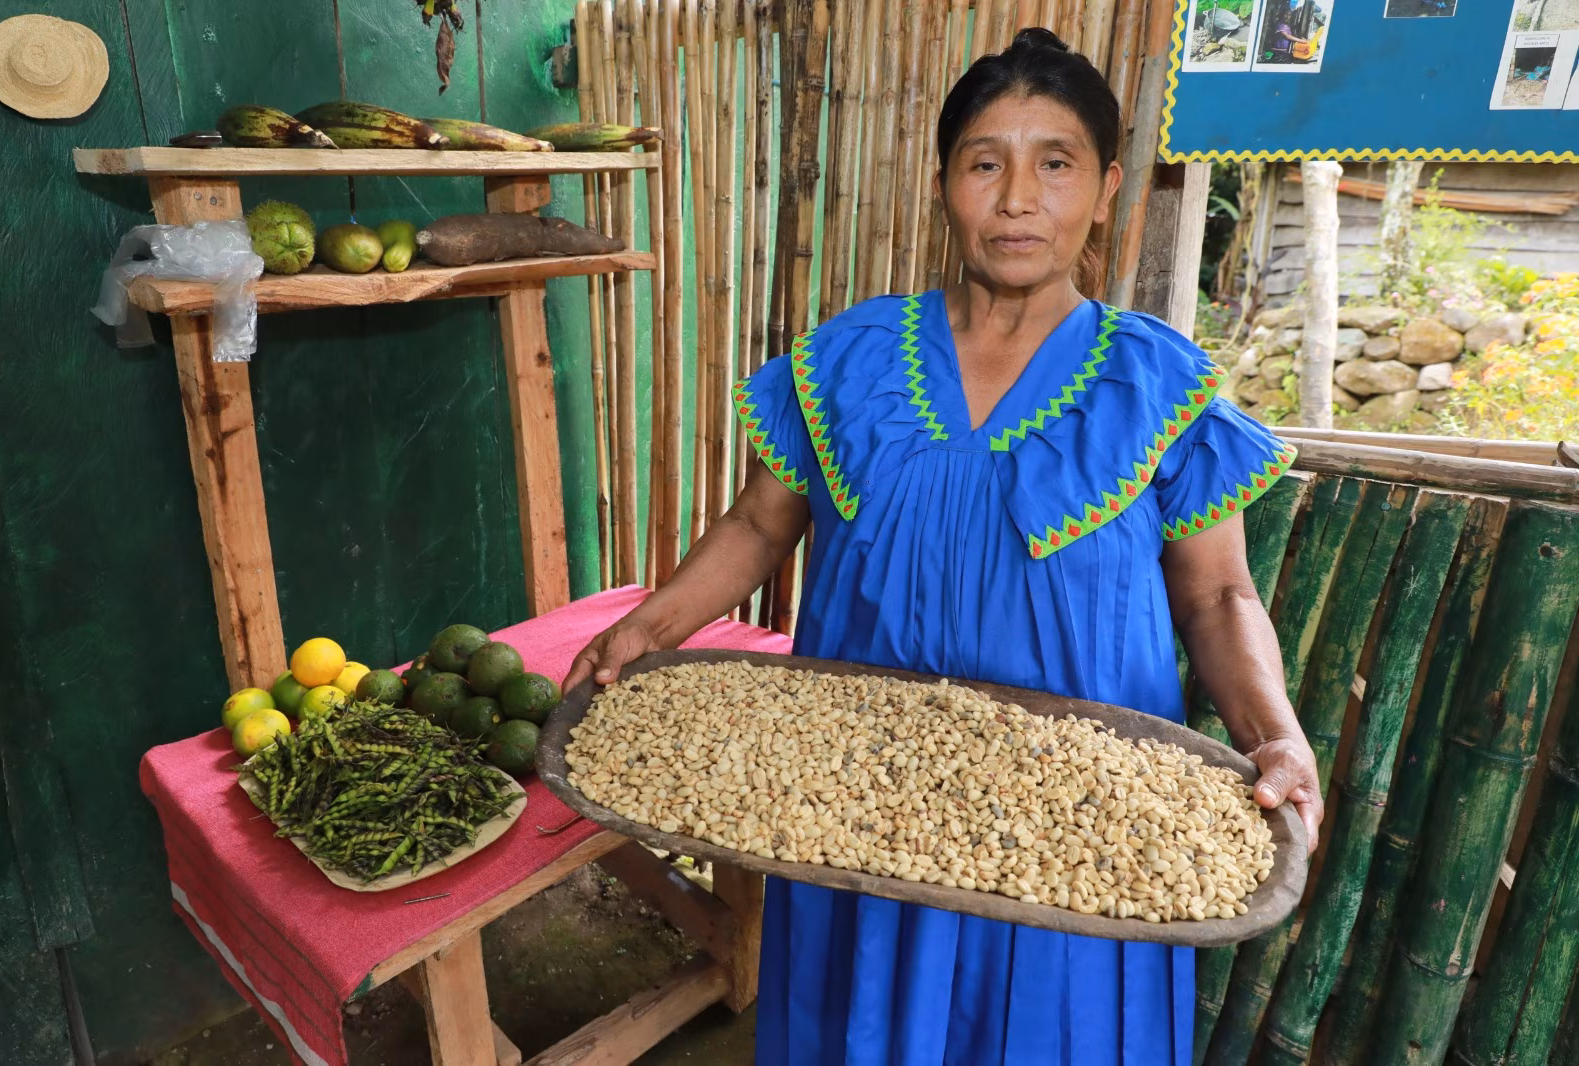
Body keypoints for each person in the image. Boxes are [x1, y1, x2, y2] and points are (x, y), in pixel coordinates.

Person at [565, 28, 1323, 1066]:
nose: (1018, 197)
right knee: (859, 1025)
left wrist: (1272, 729)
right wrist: (644, 629)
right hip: (857, 797)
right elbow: (757, 524)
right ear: (944, 185)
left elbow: (1219, 598)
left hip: (1074, 823)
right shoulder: (851, 358)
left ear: (1104, 188)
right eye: (984, 162)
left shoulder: (1155, 383)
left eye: (1054, 163)